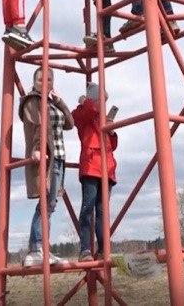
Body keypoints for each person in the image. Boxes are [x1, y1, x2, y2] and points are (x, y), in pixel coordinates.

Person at [20, 66, 74, 266]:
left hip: (59, 158)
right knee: (45, 203)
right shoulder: (32, 100)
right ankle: (35, 249)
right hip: (46, 158)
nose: (45, 83)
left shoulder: (52, 102)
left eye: (49, 80)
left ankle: (42, 249)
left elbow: (70, 123)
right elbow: (36, 126)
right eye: (41, 79)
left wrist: (59, 100)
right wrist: (36, 148)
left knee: (50, 204)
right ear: (34, 81)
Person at [71, 83, 118, 261]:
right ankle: (85, 249)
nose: (102, 103)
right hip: (91, 167)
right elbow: (85, 114)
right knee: (88, 208)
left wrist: (112, 132)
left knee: (102, 212)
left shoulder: (103, 119)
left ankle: (103, 249)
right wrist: (88, 101)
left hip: (107, 169)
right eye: (100, 100)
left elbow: (111, 146)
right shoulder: (82, 113)